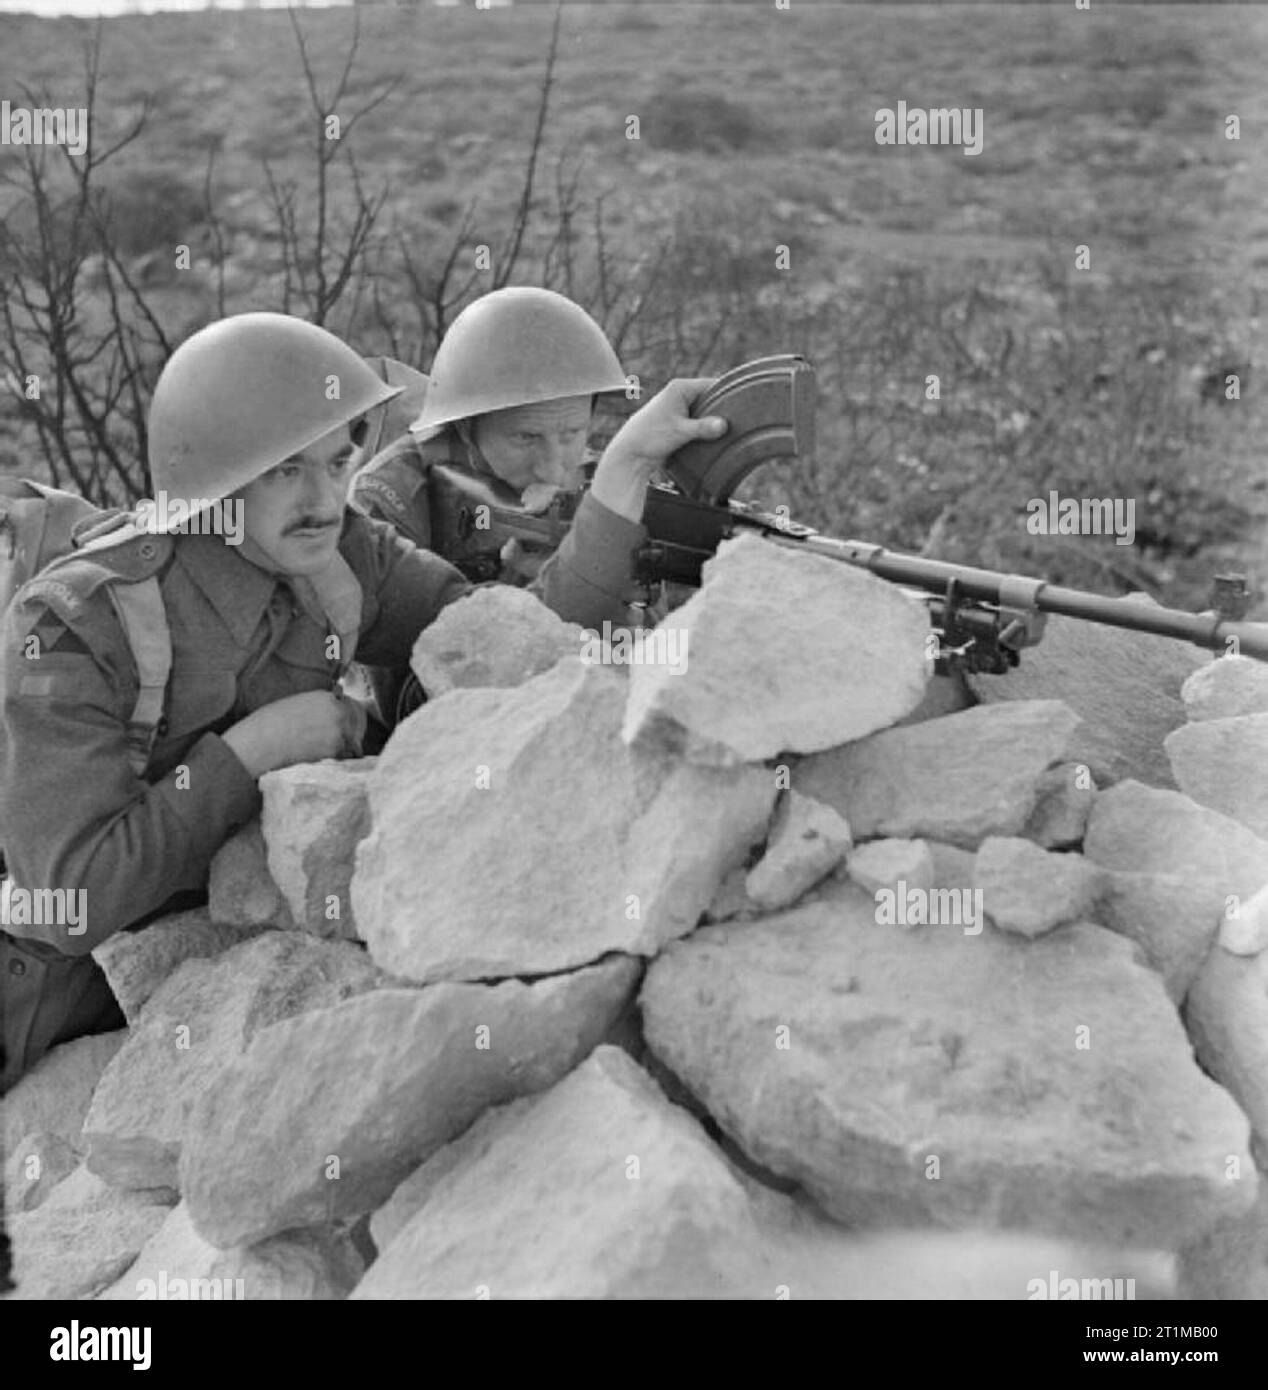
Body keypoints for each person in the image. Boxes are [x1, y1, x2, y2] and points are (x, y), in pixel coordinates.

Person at [0, 311, 724, 1092]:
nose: (322, 498)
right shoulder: (77, 624)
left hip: (203, 976)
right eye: (285, 471)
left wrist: (619, 477)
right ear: (212, 479)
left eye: (338, 461)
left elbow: (516, 649)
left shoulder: (344, 556)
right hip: (38, 998)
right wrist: (250, 756)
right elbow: (71, 899)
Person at [351, 286, 718, 722]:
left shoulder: (604, 488)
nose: (553, 467)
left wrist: (608, 587)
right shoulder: (390, 499)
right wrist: (530, 595)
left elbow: (647, 664)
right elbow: (409, 711)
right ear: (466, 429)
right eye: (525, 438)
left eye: (572, 434)